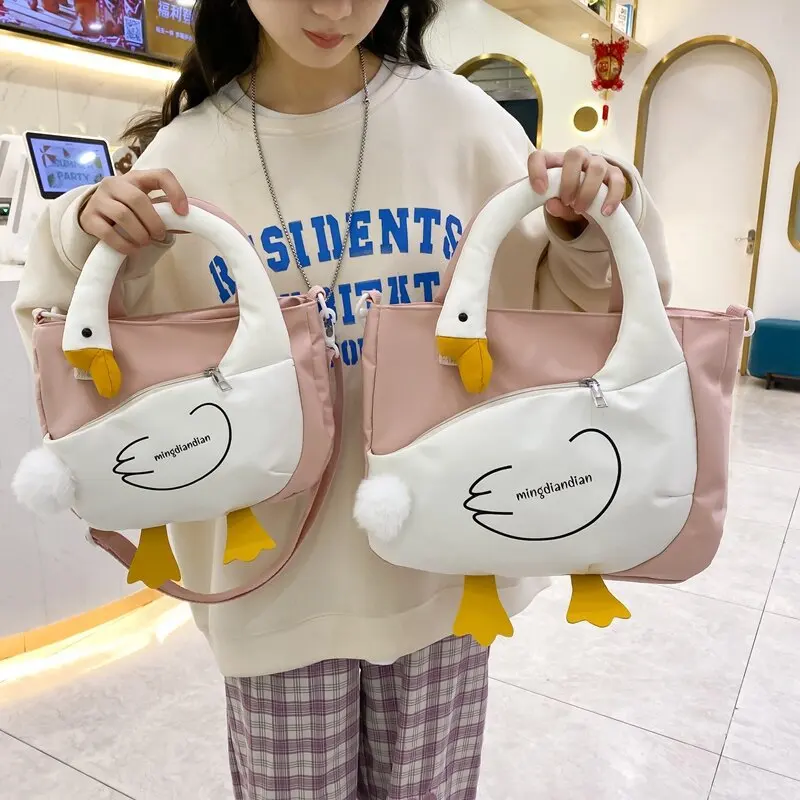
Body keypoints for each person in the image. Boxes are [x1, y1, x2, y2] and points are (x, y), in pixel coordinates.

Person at [13, 1, 671, 797]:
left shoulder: (463, 124)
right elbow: (86, 368)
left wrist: (589, 228)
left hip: (443, 576)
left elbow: (573, 332)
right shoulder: (184, 156)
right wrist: (86, 240)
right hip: (273, 590)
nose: (333, 8)